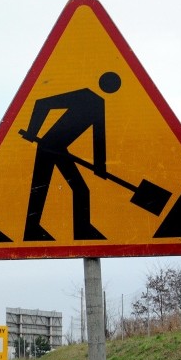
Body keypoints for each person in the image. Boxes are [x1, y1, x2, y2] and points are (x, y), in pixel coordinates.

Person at [20, 71, 121, 241]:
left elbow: (98, 138)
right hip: (49, 147)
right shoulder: (86, 97)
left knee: (58, 188)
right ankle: (36, 230)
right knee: (43, 187)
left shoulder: (97, 104)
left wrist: (100, 167)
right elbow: (42, 103)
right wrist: (32, 131)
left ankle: (77, 230)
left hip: (58, 148)